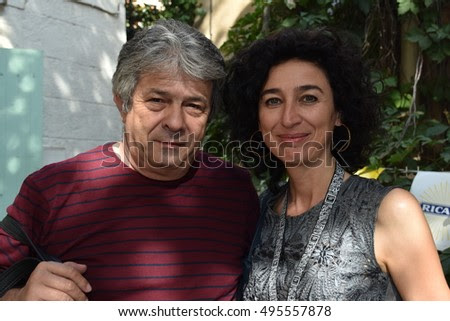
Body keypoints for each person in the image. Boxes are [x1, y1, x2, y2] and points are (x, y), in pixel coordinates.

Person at [0, 19, 259, 301]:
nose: (175, 122)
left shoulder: (236, 191)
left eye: (194, 105)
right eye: (157, 101)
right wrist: (21, 298)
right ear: (122, 104)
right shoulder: (52, 189)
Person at [224, 27, 450, 300]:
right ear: (257, 119)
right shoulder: (258, 211)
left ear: (339, 113)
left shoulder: (390, 211)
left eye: (308, 98)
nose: (289, 118)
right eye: (273, 101)